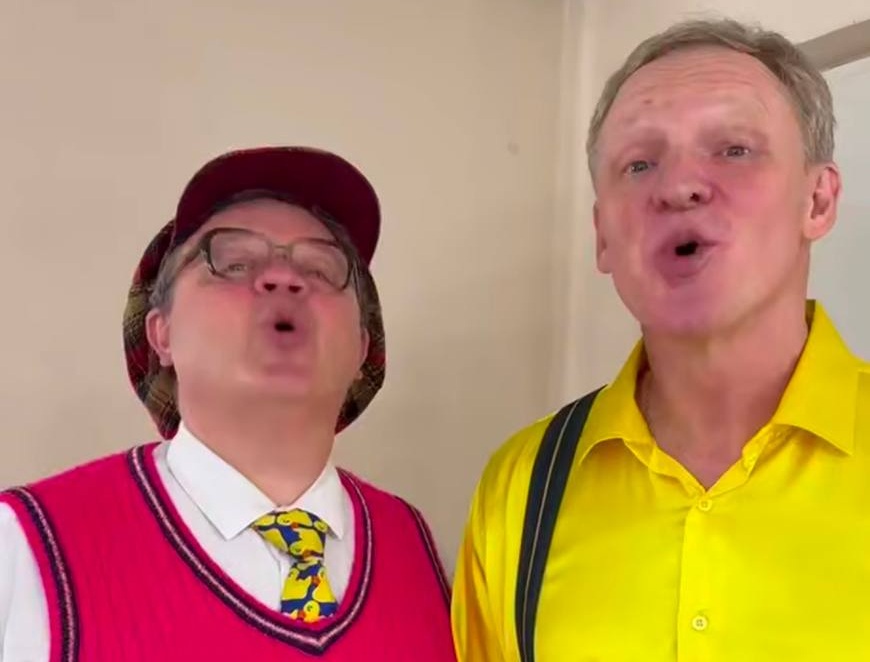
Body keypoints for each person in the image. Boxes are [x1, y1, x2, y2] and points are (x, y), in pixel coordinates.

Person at [452, 17, 870, 662]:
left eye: (734, 149)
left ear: (817, 201)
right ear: (603, 237)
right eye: (640, 164)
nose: (677, 187)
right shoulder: (521, 484)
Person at [0, 146, 456, 660]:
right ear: (161, 333)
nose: (283, 278)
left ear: (362, 349)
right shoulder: (22, 547)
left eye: (321, 269)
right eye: (234, 262)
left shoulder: (422, 551)